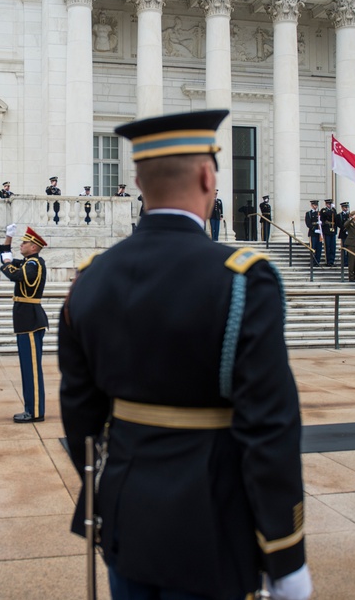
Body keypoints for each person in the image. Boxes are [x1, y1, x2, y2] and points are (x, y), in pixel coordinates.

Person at [59, 109, 311, 600]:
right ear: (206, 175)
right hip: (214, 528)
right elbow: (270, 425)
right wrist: (285, 552)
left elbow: (79, 419)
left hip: (126, 522)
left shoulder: (91, 279)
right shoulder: (243, 278)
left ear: (137, 181)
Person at [0, 224, 48, 423]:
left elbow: (16, 275)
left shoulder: (33, 264)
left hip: (30, 320)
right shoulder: (28, 262)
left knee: (32, 369)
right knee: (27, 368)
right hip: (25, 320)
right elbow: (6, 259)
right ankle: (31, 407)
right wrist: (7, 239)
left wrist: (9, 263)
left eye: (25, 242)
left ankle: (35, 411)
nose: (22, 245)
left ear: (34, 247)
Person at [319, 199, 336, 266]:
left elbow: (335, 218)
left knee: (333, 247)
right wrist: (331, 211)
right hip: (326, 229)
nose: (329, 205)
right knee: (327, 246)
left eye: (330, 204)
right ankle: (328, 260)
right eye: (328, 204)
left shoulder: (333, 210)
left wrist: (332, 210)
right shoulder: (323, 210)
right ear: (326, 204)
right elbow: (324, 216)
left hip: (333, 230)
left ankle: (332, 260)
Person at [305, 200, 321, 266]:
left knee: (319, 248)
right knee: (313, 247)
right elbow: (308, 223)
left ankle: (317, 261)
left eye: (316, 205)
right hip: (313, 232)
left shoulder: (319, 213)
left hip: (319, 233)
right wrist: (314, 229)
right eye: (314, 205)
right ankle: (313, 261)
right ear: (311, 205)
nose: (315, 206)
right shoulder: (309, 213)